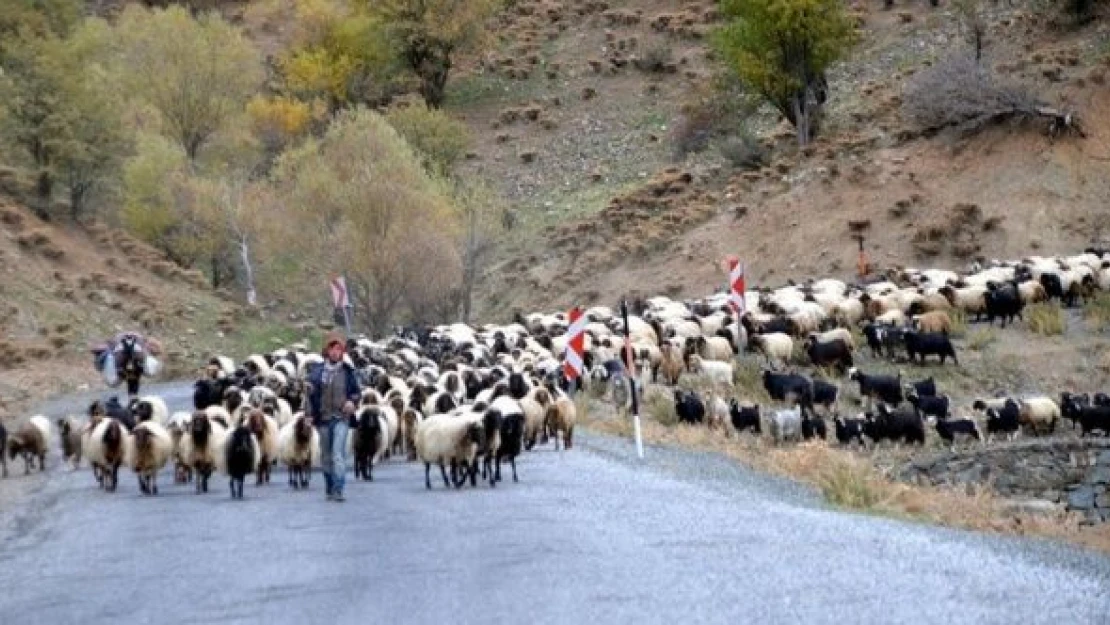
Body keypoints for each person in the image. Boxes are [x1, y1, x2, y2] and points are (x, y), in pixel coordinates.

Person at [306, 331, 361, 502]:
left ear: (342, 352)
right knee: (326, 455)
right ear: (327, 351)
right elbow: (309, 395)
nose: (336, 352)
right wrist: (308, 414)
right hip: (323, 418)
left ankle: (338, 488)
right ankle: (329, 485)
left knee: (338, 453)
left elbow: (356, 392)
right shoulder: (317, 372)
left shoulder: (348, 372)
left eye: (339, 349)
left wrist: (352, 401)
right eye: (333, 349)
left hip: (341, 418)